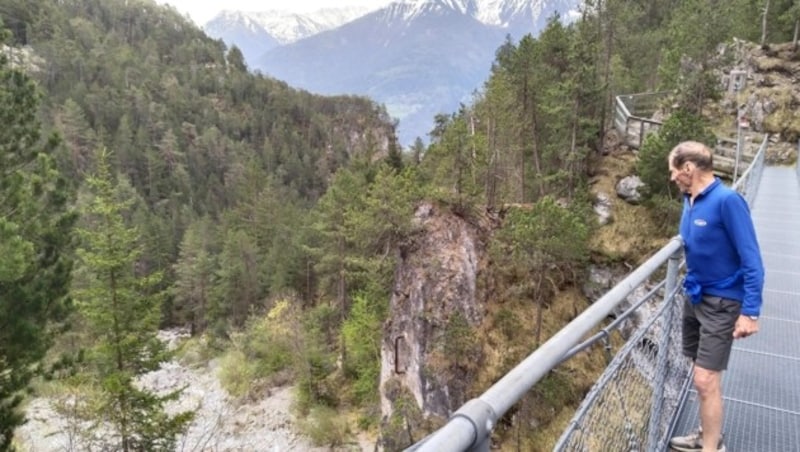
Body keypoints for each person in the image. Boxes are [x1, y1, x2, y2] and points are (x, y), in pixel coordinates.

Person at [667, 141, 765, 452]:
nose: (671, 178)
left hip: (722, 302)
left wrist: (750, 312)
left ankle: (711, 448)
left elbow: (752, 259)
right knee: (703, 376)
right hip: (695, 297)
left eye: (673, 171)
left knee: (705, 379)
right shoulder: (689, 199)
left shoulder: (727, 201)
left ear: (688, 169)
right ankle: (707, 434)